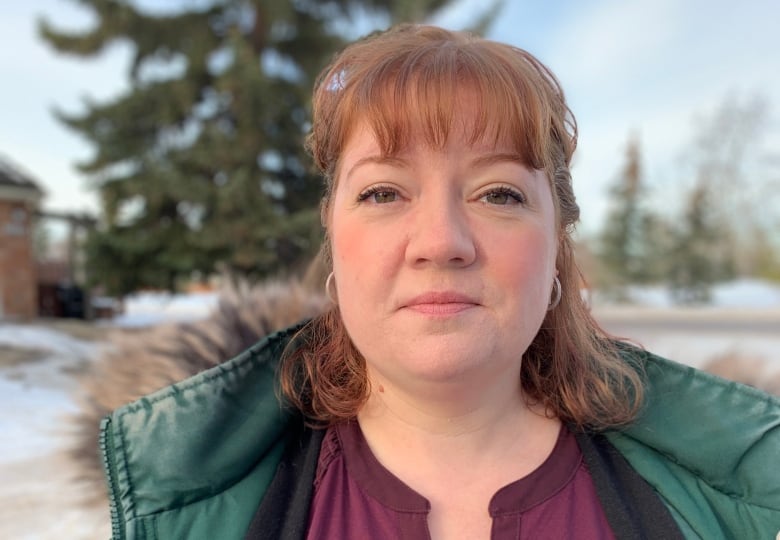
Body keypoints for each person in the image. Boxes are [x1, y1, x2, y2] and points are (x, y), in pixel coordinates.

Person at [99, 24, 780, 539]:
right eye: (384, 192)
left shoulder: (732, 502)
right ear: (333, 237)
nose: (441, 243)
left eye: (499, 195)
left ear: (557, 249)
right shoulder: (195, 503)